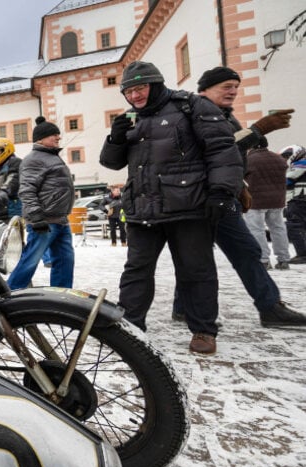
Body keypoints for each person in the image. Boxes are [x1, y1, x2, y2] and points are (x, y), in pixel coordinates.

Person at [100, 61, 243, 355]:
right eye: (129, 91)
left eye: (140, 88)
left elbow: (222, 150)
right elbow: (111, 162)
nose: (135, 96)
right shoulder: (130, 118)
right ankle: (129, 326)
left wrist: (221, 191)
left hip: (187, 205)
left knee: (195, 270)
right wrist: (115, 137)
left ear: (156, 84)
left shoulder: (191, 106)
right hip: (142, 208)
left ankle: (203, 329)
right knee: (136, 271)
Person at [171, 66, 306, 328]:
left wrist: (240, 184)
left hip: (224, 198)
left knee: (246, 250)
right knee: (195, 257)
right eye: (226, 86)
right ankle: (184, 307)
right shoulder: (189, 116)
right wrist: (257, 130)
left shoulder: (228, 118)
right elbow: (213, 149)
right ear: (204, 90)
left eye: (236, 86)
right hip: (198, 197)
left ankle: (270, 306)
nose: (233, 91)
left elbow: (230, 159)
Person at [7, 117, 75, 290]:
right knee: (31, 260)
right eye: (54, 135)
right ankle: (10, 292)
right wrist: (36, 217)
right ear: (41, 138)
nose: (58, 138)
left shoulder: (51, 157)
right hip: (44, 221)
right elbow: (27, 190)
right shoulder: (34, 159)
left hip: (60, 220)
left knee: (65, 261)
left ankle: (61, 294)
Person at [245, 139, 292, 269]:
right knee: (278, 229)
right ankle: (283, 259)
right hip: (277, 200)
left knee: (257, 230)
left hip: (256, 201)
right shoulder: (278, 158)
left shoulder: (249, 160)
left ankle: (263, 259)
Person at [0, 138, 22, 221]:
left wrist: (3, 194)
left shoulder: (15, 162)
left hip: (12, 211)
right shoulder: (0, 169)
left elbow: (13, 179)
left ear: (7, 149)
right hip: (0, 213)